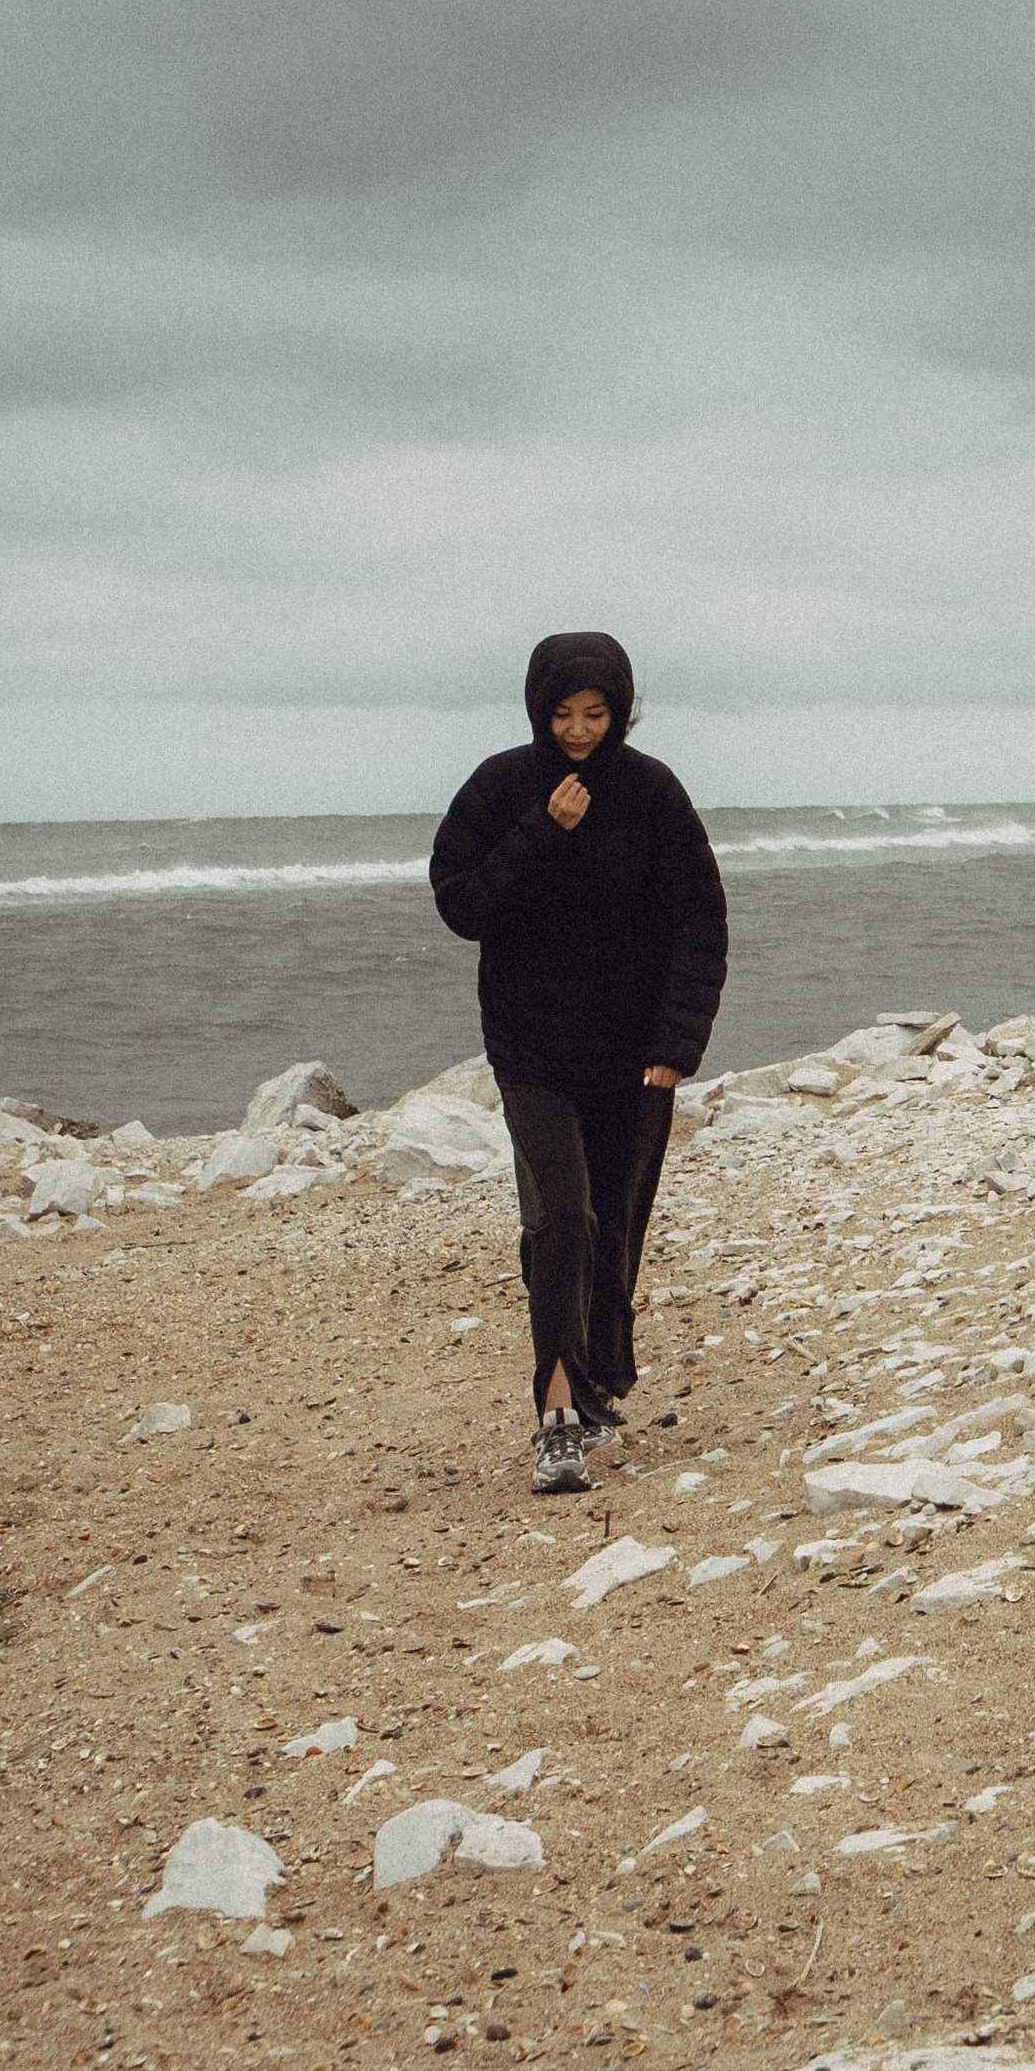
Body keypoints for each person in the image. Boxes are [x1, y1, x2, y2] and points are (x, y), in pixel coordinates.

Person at [430, 631, 729, 1493]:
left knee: (615, 1224)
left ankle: (596, 1376)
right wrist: (541, 831)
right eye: (561, 713)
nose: (578, 729)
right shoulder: (500, 787)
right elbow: (462, 905)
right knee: (563, 1214)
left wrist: (678, 1047)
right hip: (530, 1047)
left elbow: (699, 922)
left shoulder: (651, 792)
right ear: (537, 709)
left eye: (596, 714)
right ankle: (557, 1414)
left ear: (622, 709)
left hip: (634, 1058)